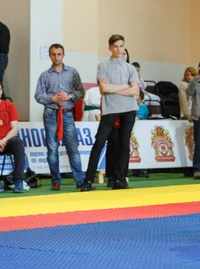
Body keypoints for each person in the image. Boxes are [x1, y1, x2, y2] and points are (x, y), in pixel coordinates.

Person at [80, 34, 140, 191]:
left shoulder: (130, 68)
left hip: (129, 109)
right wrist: (124, 87)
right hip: (110, 109)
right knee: (99, 141)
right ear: (110, 48)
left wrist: (115, 88)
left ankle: (120, 179)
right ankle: (88, 180)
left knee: (124, 144)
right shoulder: (103, 65)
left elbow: (135, 91)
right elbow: (104, 88)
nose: (119, 49)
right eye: (115, 46)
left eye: (121, 46)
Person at [34, 44, 86, 190]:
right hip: (51, 113)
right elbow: (38, 95)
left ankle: (80, 181)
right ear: (49, 55)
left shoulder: (72, 72)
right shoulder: (44, 75)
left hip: (67, 114)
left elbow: (80, 92)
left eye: (59, 54)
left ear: (63, 54)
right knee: (52, 149)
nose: (56, 57)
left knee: (73, 149)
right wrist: (53, 99)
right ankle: (55, 181)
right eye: (53, 54)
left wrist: (68, 96)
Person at [0, 81, 25, 193]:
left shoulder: (9, 106)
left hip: (7, 141)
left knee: (18, 143)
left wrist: (4, 140)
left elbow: (15, 128)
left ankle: (18, 181)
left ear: (1, 91)